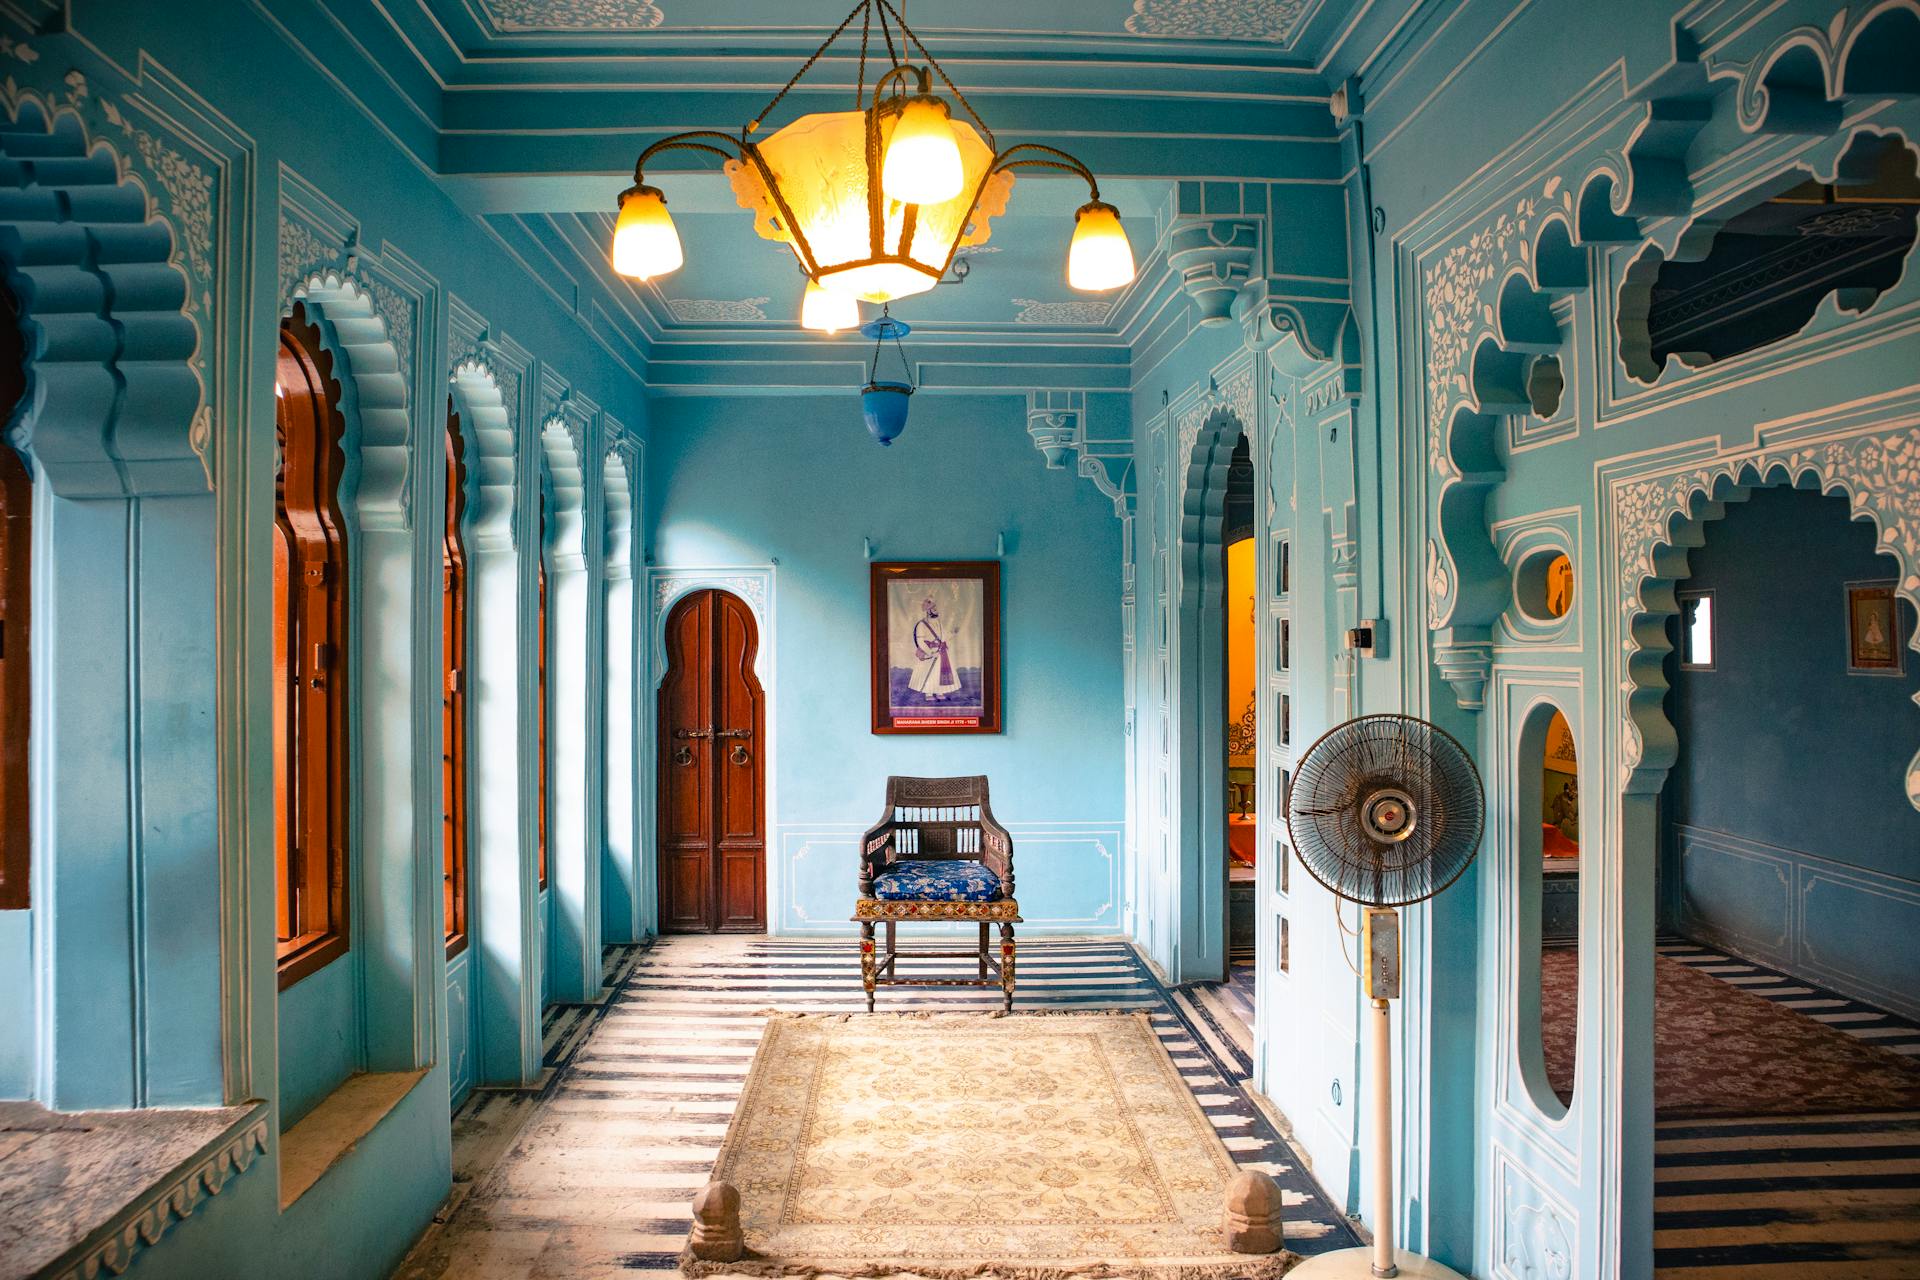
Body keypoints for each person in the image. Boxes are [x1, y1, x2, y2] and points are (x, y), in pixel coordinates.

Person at [908, 595, 962, 701]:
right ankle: (928, 694)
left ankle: (939, 693)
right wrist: (930, 653)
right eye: (933, 608)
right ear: (928, 611)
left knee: (939, 673)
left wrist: (954, 632)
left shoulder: (939, 624)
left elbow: (944, 637)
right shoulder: (921, 624)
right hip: (929, 654)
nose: (936, 610)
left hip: (941, 653)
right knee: (928, 673)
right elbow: (920, 641)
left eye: (935, 607)